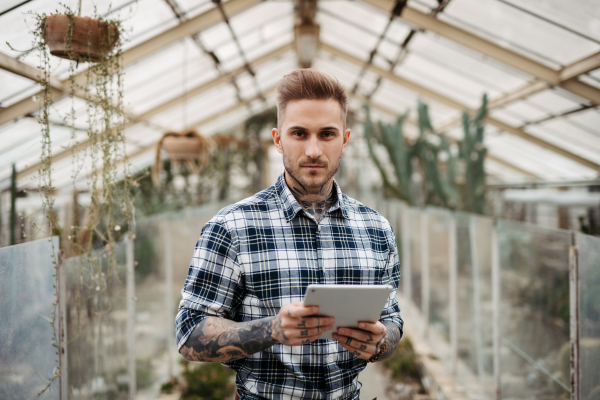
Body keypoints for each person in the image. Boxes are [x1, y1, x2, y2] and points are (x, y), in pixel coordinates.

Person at [176, 69, 403, 400]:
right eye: (299, 133)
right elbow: (189, 334)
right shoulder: (232, 227)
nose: (313, 150)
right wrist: (271, 330)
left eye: (327, 134)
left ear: (345, 139)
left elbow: (393, 320)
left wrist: (380, 341)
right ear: (278, 139)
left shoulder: (377, 229)